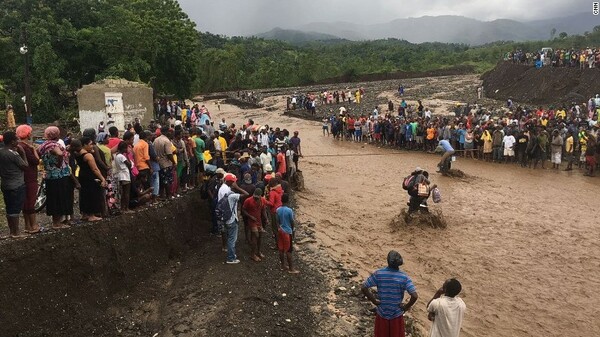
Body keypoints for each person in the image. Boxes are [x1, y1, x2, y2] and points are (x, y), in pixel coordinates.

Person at [361, 251, 418, 337]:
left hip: (382, 313)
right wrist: (406, 307)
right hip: (396, 315)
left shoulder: (379, 274)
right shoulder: (404, 277)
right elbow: (414, 296)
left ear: (388, 261)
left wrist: (374, 301)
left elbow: (364, 287)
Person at [39, 126, 75, 229]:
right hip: (58, 175)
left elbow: (38, 155)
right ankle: (56, 223)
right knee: (58, 198)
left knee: (53, 198)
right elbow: (59, 154)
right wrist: (59, 163)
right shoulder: (53, 145)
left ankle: (57, 222)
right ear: (56, 134)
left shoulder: (43, 145)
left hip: (50, 175)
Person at [0, 131, 28, 238]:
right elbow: (25, 166)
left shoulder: (1, 152)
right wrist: (23, 153)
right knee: (15, 209)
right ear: (12, 142)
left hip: (5, 183)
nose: (18, 141)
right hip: (17, 184)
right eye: (16, 139)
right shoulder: (14, 154)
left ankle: (11, 231)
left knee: (9, 208)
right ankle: (16, 232)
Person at [16, 125, 44, 234]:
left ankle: (27, 226)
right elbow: (36, 161)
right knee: (31, 201)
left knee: (25, 202)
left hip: (22, 177)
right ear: (28, 134)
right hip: (30, 177)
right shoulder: (27, 147)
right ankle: (34, 225)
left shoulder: (18, 146)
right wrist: (34, 150)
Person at [72, 138, 107, 221]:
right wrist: (102, 178)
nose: (92, 146)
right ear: (84, 145)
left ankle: (84, 214)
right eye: (90, 144)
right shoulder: (88, 155)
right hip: (89, 175)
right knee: (92, 194)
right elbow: (94, 169)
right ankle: (91, 215)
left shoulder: (77, 153)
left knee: (84, 194)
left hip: (81, 175)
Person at [242, 188, 268, 262]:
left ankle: (258, 251)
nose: (255, 198)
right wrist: (250, 216)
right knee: (255, 236)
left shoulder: (262, 200)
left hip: (259, 221)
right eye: (255, 197)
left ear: (260, 196)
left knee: (260, 236)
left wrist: (266, 218)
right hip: (252, 221)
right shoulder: (248, 200)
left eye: (257, 197)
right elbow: (243, 209)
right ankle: (252, 254)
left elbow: (263, 210)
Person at [276, 193, 299, 273]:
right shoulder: (289, 211)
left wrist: (279, 228)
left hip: (280, 230)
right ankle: (291, 269)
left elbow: (277, 221)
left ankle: (282, 265)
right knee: (289, 250)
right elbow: (292, 222)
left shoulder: (278, 210)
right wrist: (292, 230)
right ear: (288, 200)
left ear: (281, 200)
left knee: (281, 249)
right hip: (287, 231)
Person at [114, 141, 133, 214]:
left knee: (123, 193)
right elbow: (129, 165)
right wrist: (128, 156)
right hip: (125, 175)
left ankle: (122, 208)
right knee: (126, 193)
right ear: (124, 148)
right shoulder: (122, 156)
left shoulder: (117, 155)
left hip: (120, 175)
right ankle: (126, 208)